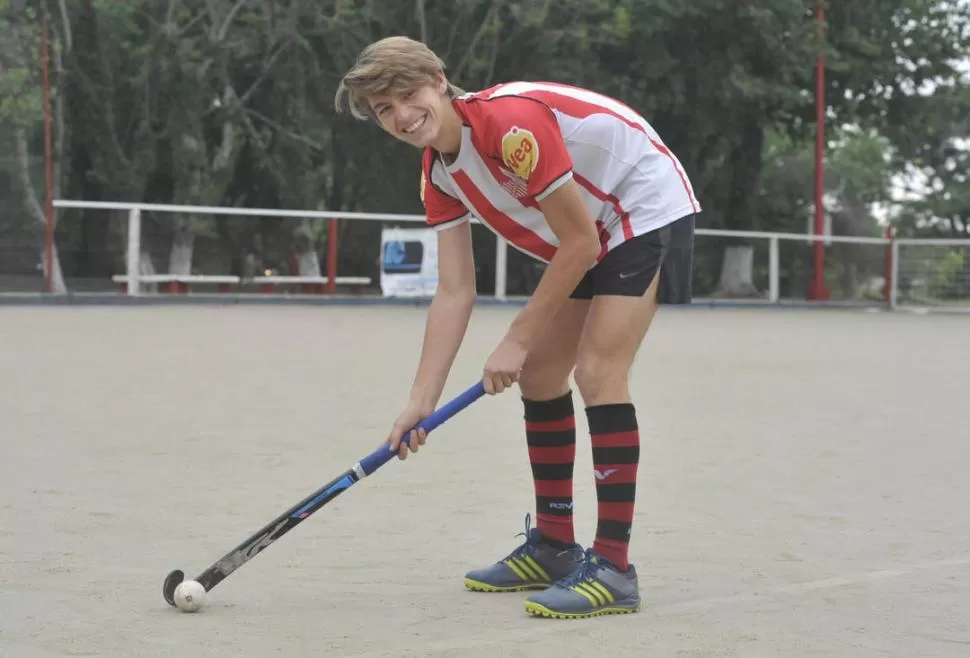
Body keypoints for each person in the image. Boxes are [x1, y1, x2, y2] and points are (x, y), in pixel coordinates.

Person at [335, 36, 700, 620]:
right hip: (588, 229)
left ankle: (613, 568)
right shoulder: (437, 175)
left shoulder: (507, 127)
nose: (401, 116)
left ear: (438, 79)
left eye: (407, 95)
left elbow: (580, 241)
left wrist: (518, 337)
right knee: (540, 378)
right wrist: (419, 404)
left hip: (641, 202)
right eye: (383, 110)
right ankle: (556, 546)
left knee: (598, 372)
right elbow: (455, 291)